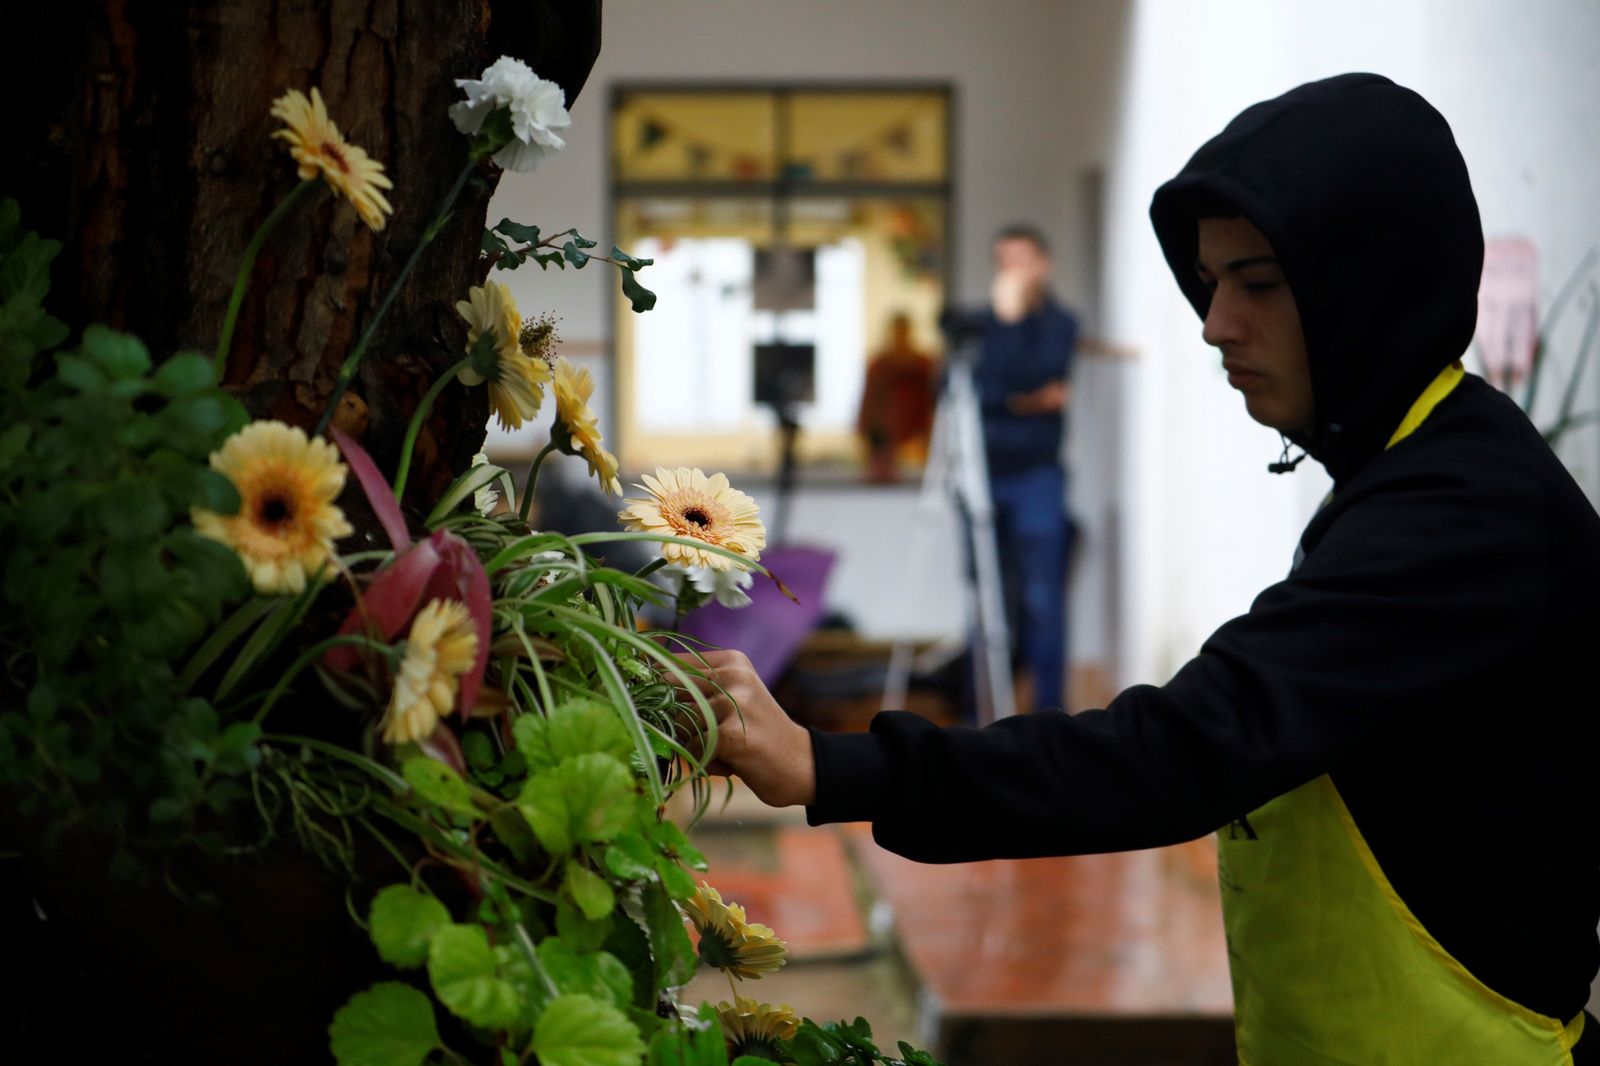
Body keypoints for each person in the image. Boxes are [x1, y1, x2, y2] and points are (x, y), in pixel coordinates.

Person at [678, 73, 1600, 1064]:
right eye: (1211, 283)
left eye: (1258, 281)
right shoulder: (1398, 475)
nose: (1215, 325)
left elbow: (1183, 749)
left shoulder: (1465, 513)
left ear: (1364, 281)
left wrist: (830, 764)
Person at [971, 225, 1079, 712]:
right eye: (1003, 262)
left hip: (1038, 476)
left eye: (1021, 261)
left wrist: (1011, 391)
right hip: (983, 477)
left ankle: (1050, 718)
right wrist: (1028, 399)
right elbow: (984, 390)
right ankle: (980, 716)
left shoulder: (1060, 323)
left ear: (1042, 264)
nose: (1011, 273)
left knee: (1042, 601)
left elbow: (1030, 376)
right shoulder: (983, 325)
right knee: (987, 601)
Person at [856, 312, 938, 482]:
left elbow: (932, 397)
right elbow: (870, 398)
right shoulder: (880, 364)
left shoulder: (923, 363)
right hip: (887, 425)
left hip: (917, 421)